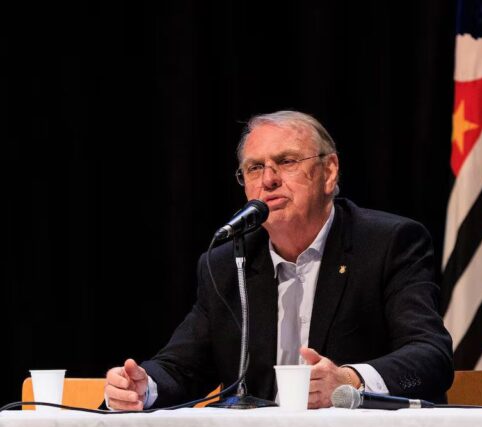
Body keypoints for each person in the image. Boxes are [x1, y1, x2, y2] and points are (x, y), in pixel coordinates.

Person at [104, 110, 454, 410]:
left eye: (286, 162)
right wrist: (143, 386)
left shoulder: (387, 243)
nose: (269, 180)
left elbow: (430, 356)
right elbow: (183, 367)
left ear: (329, 171)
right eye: (255, 168)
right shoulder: (230, 262)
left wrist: (349, 380)